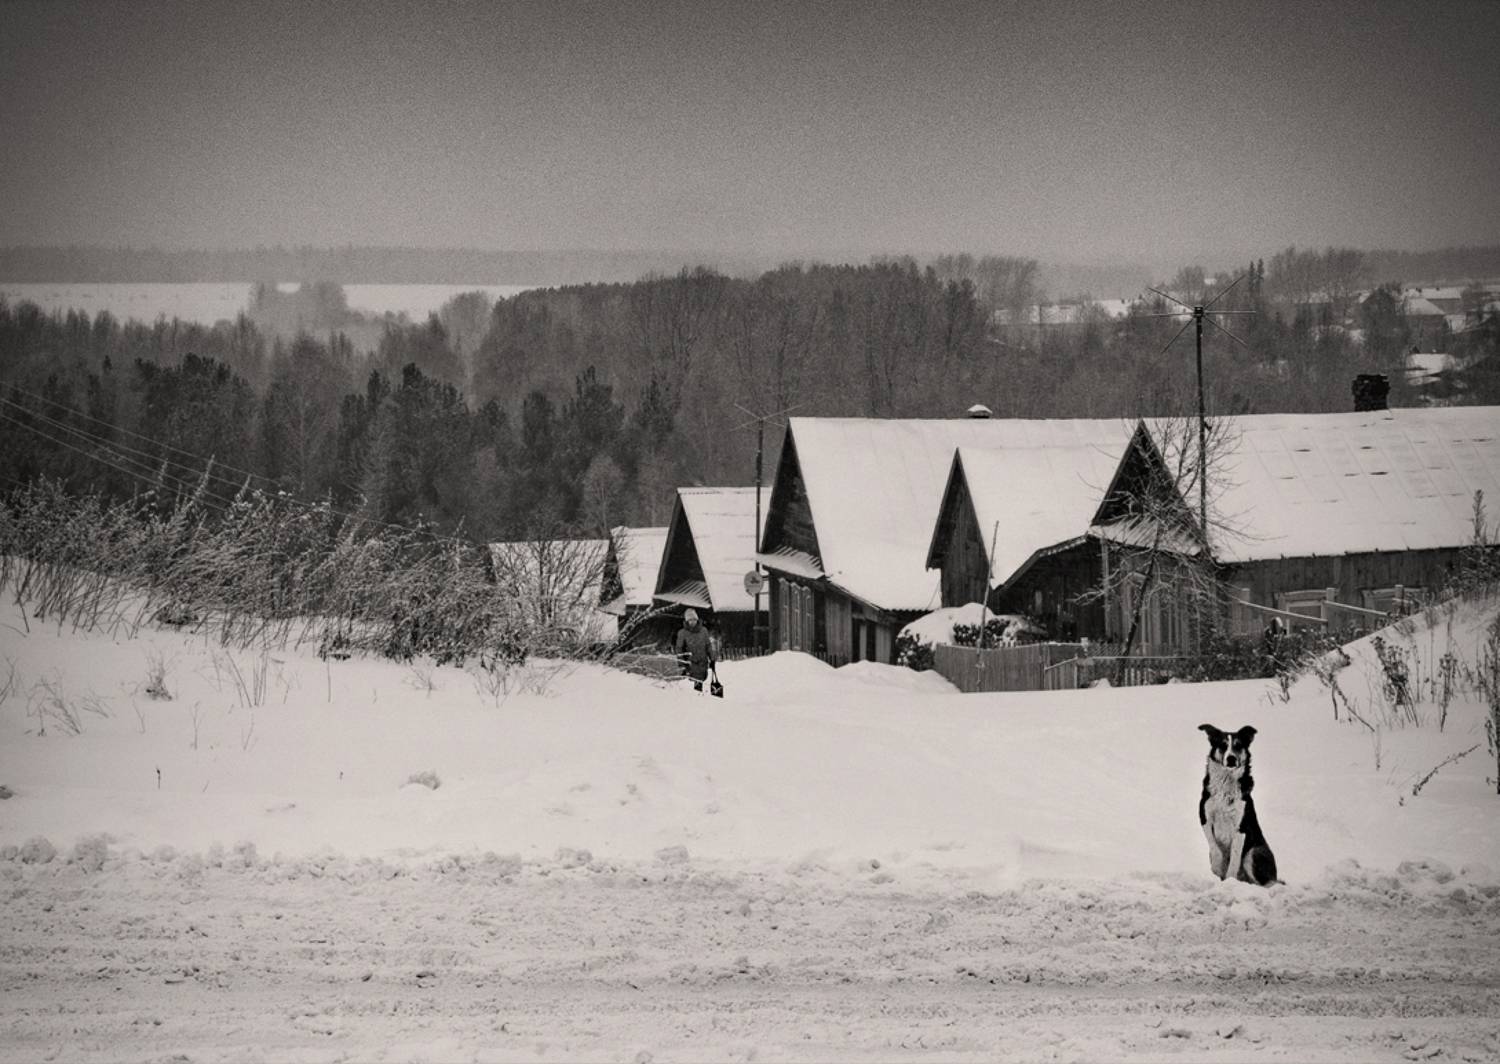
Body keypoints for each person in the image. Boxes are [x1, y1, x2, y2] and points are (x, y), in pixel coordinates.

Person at [674, 608, 716, 693]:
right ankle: (696, 699)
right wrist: (682, 664)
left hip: (702, 661)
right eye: (690, 620)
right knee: (695, 683)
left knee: (701, 681)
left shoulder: (703, 630)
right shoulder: (682, 633)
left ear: (697, 619)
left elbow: (708, 645)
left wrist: (712, 658)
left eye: (694, 620)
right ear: (687, 621)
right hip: (691, 662)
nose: (692, 622)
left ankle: (699, 698)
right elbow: (679, 649)